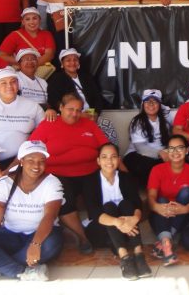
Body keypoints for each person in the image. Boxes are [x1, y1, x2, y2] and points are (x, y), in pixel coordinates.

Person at [29, 92, 109, 254]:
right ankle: (83, 238)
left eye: (78, 110)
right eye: (70, 109)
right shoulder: (48, 124)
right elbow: (31, 149)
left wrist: (122, 170)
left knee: (95, 202)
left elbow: (106, 147)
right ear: (60, 108)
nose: (75, 113)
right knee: (65, 201)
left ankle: (102, 234)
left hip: (89, 171)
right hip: (57, 173)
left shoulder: (89, 124)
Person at [0, 140, 63, 281]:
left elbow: (49, 216)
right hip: (9, 234)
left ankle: (0, 265)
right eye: (30, 160)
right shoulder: (5, 183)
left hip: (42, 235)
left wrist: (35, 244)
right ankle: (22, 270)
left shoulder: (52, 182)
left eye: (41, 161)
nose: (36, 165)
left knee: (51, 245)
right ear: (21, 161)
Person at [83, 143, 151, 280]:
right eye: (104, 157)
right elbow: (94, 212)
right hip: (100, 230)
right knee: (108, 207)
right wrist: (118, 222)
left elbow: (137, 202)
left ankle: (139, 254)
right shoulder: (90, 181)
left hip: (127, 228)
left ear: (119, 159)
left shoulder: (126, 178)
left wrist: (134, 219)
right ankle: (125, 258)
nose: (109, 161)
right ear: (98, 161)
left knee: (126, 204)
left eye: (113, 157)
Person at [147, 135, 189, 266]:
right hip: (161, 215)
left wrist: (185, 209)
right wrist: (157, 207)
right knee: (161, 199)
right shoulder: (157, 170)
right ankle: (167, 243)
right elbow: (150, 198)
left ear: (187, 150)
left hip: (183, 216)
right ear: (167, 151)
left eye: (180, 148)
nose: (175, 152)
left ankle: (165, 242)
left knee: (186, 193)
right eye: (171, 148)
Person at [0, 67, 44, 170]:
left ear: (18, 84)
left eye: (13, 82)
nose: (9, 86)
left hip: (21, 161)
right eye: (3, 83)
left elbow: (44, 131)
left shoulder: (32, 106)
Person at [123, 89, 171, 187]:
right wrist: (160, 153)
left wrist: (169, 153)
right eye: (147, 101)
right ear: (143, 104)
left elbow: (168, 142)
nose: (151, 104)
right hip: (137, 154)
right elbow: (140, 147)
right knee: (151, 167)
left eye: (155, 101)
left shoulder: (165, 122)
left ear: (160, 105)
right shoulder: (137, 122)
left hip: (161, 155)